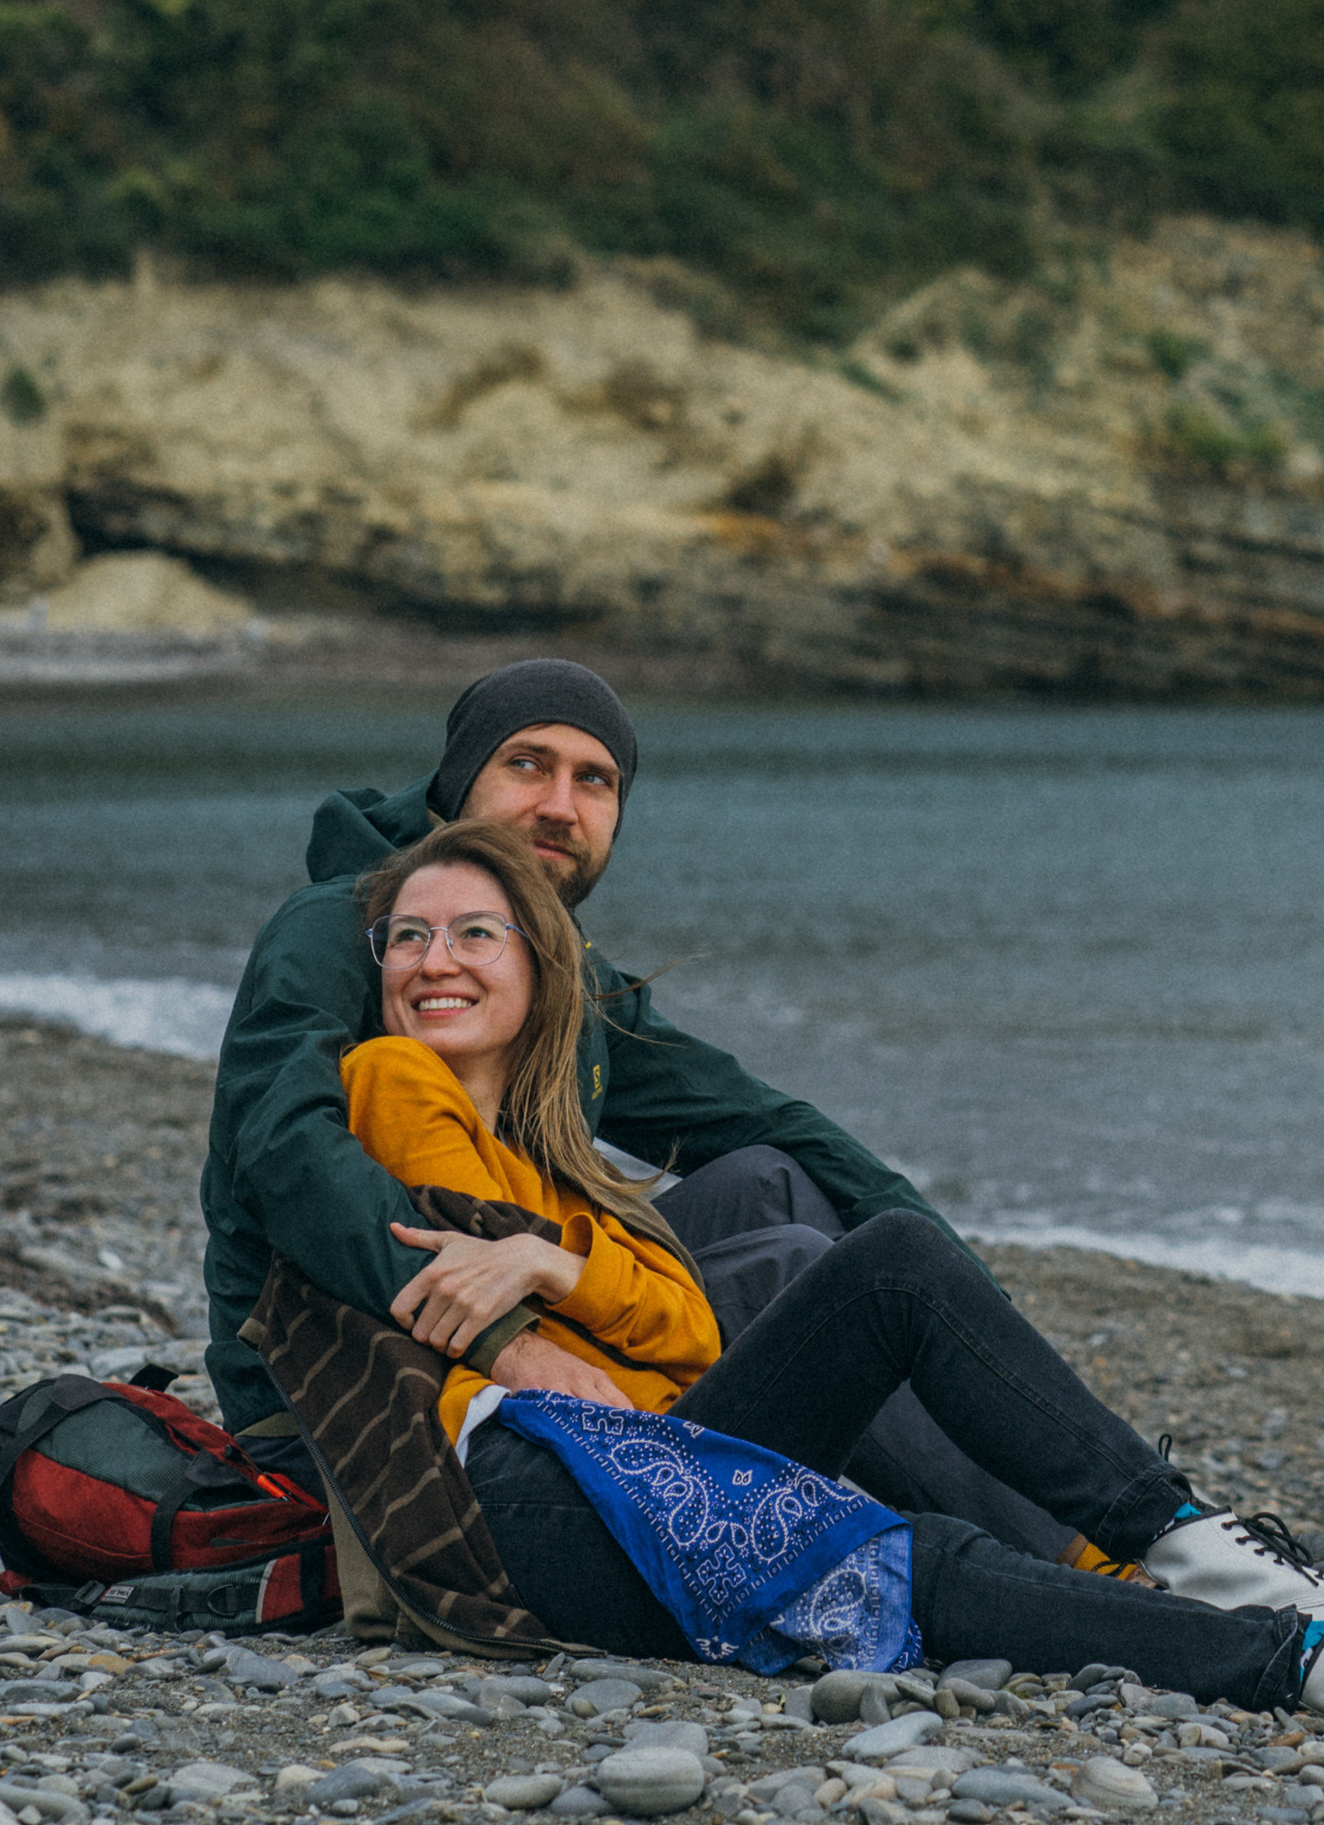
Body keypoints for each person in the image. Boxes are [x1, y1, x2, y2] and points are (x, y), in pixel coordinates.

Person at [335, 815, 1324, 1747]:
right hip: (537, 1494)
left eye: (474, 933)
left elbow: (669, 1316)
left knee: (898, 1514)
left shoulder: (542, 1155)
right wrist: (575, 1278)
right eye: (410, 937)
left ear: (538, 966)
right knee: (892, 1343)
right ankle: (1284, 1626)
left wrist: (565, 1263)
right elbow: (637, 1318)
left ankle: (1283, 1624)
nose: (435, 960)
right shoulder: (395, 1082)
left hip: (628, 1470)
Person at [202, 660, 1080, 1560]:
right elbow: (284, 1150)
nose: (560, 805)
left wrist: (972, 1312)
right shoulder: (337, 928)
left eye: (596, 781)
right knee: (790, 1269)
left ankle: (1022, 1509)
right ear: (456, 783)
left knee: (774, 1182)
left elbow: (768, 1119)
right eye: (527, 765)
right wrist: (506, 1341)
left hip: (522, 1296)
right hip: (343, 1385)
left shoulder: (563, 977)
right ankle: (1077, 1557)